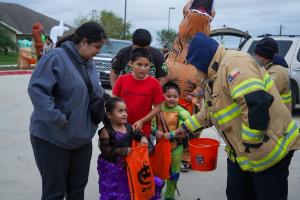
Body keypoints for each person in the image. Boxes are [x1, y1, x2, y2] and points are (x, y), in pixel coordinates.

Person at [175, 32, 300, 200]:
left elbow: (256, 102)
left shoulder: (235, 63)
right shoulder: (214, 75)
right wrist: (186, 127)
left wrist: (251, 142)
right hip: (242, 155)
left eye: (196, 67)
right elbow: (210, 111)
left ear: (203, 59)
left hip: (269, 151)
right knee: (236, 194)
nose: (196, 72)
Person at [28, 21, 107, 200]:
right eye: (97, 46)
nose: (99, 51)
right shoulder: (55, 58)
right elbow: (37, 90)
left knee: (77, 191)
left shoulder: (88, 62)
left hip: (81, 139)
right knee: (54, 193)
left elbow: (94, 89)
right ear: (84, 42)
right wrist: (57, 118)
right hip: (52, 138)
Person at [97, 97, 148, 200]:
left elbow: (138, 134)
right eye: (120, 111)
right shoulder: (106, 131)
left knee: (126, 190)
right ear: (110, 115)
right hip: (110, 168)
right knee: (112, 192)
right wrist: (121, 151)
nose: (124, 114)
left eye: (125, 111)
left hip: (127, 166)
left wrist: (143, 138)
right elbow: (105, 151)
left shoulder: (128, 127)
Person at [113, 47, 165, 139]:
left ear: (151, 65)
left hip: (142, 130)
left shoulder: (154, 83)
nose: (143, 68)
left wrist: (142, 121)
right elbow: (113, 101)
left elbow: (158, 107)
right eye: (139, 64)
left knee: (140, 153)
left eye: (146, 65)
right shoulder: (122, 80)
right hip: (120, 127)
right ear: (131, 64)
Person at [152, 81, 190, 200]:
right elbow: (150, 124)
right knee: (158, 169)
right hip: (160, 146)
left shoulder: (183, 112)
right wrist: (154, 132)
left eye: (175, 96)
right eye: (169, 96)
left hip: (176, 147)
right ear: (163, 95)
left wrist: (172, 134)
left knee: (174, 172)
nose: (172, 99)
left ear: (179, 97)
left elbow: (183, 129)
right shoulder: (156, 109)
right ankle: (156, 191)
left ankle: (169, 195)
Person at [253, 37, 292, 112]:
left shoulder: (278, 72)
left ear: (263, 57)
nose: (254, 57)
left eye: (256, 54)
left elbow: (263, 95)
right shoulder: (268, 68)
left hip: (278, 121)